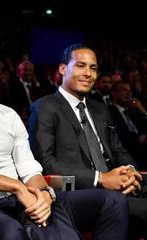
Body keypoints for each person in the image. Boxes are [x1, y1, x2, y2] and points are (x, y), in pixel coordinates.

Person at [0, 34, 129, 240]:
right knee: (15, 232)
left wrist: (44, 195)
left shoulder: (8, 114)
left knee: (112, 201)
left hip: (26, 198)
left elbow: (28, 167)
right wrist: (15, 187)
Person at [28, 43, 147, 239]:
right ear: (63, 69)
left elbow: (119, 151)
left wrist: (130, 172)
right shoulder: (45, 107)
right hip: (80, 192)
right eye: (80, 66)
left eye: (93, 68)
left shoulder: (100, 108)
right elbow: (45, 162)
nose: (88, 73)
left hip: (118, 185)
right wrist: (101, 178)